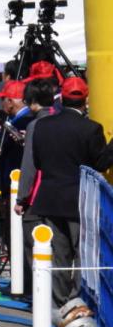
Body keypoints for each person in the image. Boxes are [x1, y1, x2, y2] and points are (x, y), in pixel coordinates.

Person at [17, 77, 113, 309]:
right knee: (83, 254)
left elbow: (37, 161)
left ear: (62, 98)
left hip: (50, 198)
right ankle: (78, 303)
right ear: (86, 99)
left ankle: (58, 303)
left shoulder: (42, 126)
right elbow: (100, 163)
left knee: (58, 255)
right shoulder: (91, 129)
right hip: (81, 200)